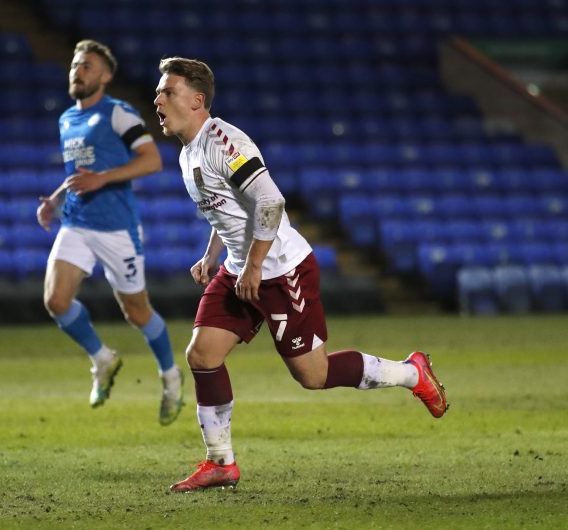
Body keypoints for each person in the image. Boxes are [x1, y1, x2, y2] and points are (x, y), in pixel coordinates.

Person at [153, 57, 449, 491]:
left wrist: (254, 265)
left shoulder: (223, 142)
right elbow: (229, 212)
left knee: (313, 375)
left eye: (168, 91)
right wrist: (212, 254)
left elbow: (270, 202)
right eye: (159, 92)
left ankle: (411, 372)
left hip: (279, 269)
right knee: (202, 355)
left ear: (197, 100)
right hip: (241, 270)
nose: (158, 98)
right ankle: (220, 462)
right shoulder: (188, 150)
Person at [37, 40, 183, 426]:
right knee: (56, 300)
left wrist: (102, 179)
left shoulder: (118, 113)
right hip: (76, 222)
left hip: (117, 228)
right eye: (75, 64)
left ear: (105, 76)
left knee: (136, 311)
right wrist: (54, 200)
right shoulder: (67, 119)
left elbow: (152, 160)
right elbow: (79, 172)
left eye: (87, 66)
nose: (77, 70)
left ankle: (170, 376)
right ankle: (102, 359)